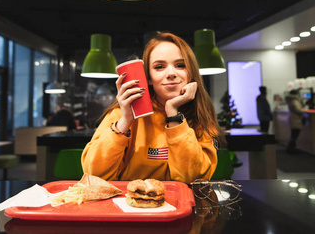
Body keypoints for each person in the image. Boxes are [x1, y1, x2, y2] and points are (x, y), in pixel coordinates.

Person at [81, 32, 226, 184]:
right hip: (129, 204)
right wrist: (125, 121)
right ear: (148, 78)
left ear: (191, 73)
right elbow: (94, 174)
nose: (171, 73)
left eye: (180, 65)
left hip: (182, 205)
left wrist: (173, 114)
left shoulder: (200, 115)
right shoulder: (121, 114)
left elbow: (193, 178)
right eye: (159, 67)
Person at [285, 89, 306, 154]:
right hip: (296, 119)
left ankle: (290, 148)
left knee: (293, 134)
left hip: (293, 119)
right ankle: (291, 148)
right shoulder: (295, 101)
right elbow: (298, 110)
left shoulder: (290, 100)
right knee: (295, 135)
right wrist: (304, 109)